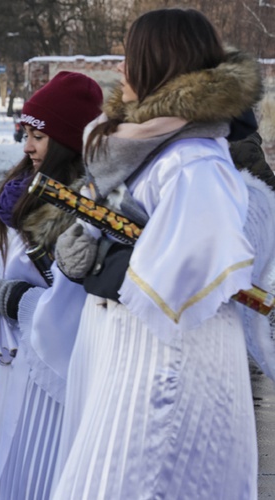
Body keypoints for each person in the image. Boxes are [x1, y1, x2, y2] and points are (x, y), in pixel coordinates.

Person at [50, 8, 270, 498]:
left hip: (170, 358)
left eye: (132, 57)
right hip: (134, 351)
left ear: (159, 65)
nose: (122, 71)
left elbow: (193, 270)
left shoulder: (194, 162)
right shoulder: (150, 151)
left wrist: (126, 246)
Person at [0, 71, 103, 499]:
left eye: (38, 137)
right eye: (25, 133)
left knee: (38, 477)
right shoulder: (22, 195)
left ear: (64, 141)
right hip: (16, 367)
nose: (27, 146)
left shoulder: (82, 212)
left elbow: (79, 309)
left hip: (52, 383)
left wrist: (11, 299)